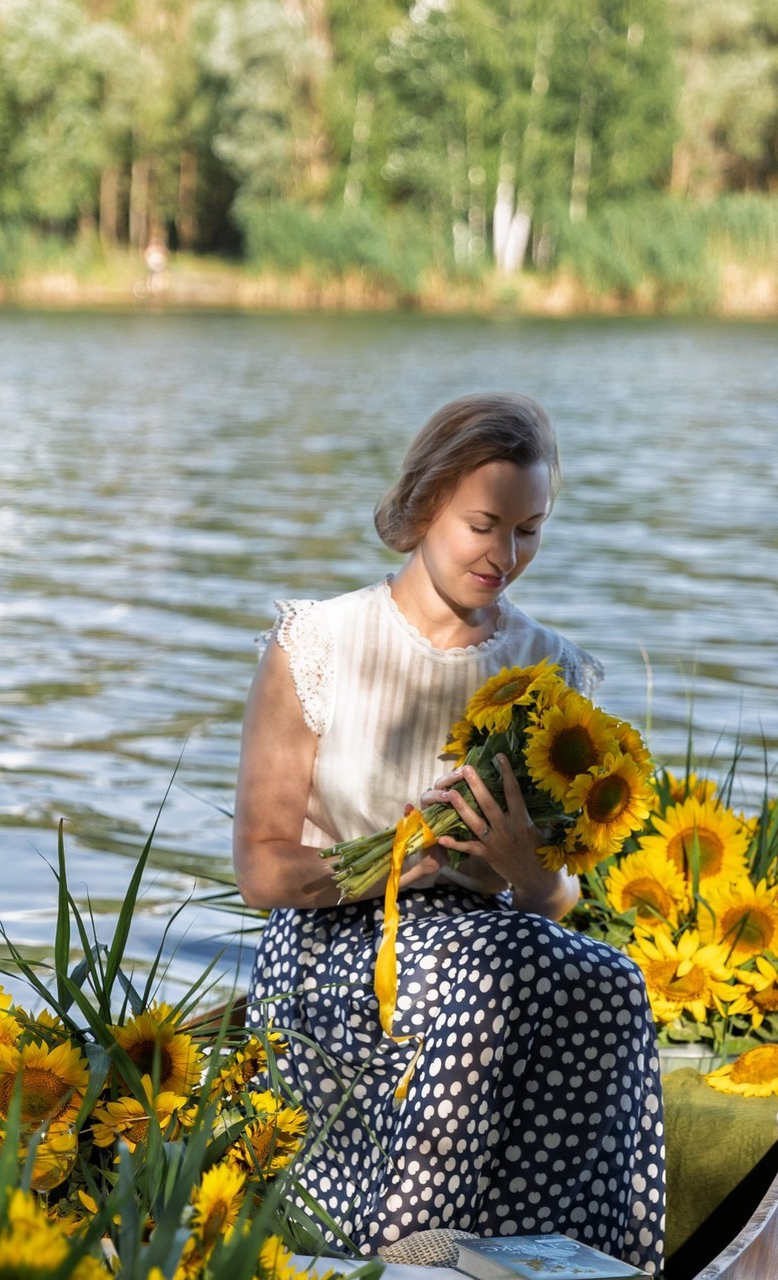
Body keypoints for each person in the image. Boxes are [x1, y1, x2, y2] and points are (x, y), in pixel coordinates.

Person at [233, 393, 664, 1273]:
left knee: (615, 981)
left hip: (491, 939)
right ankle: (401, 1251)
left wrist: (527, 875)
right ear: (426, 502)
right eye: (485, 524)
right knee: (488, 981)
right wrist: (406, 865)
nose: (506, 557)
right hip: (337, 943)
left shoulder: (551, 670)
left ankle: (581, 1255)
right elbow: (261, 869)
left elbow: (554, 900)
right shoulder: (318, 643)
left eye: (530, 531)